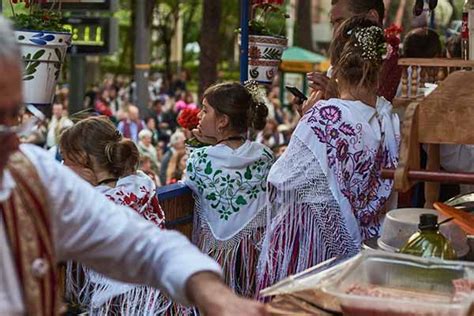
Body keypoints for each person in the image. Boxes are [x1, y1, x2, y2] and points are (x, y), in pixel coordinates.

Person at [0, 16, 266, 316]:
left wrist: (210, 290)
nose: (14, 139)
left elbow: (138, 242)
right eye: (1, 121)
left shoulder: (29, 174)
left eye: (16, 117)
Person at [257, 17, 400, 294]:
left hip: (312, 246)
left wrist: (307, 121)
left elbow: (283, 179)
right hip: (364, 242)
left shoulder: (326, 115)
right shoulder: (387, 118)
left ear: (337, 72)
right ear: (377, 72)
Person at [60, 116, 169, 314]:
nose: (62, 166)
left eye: (65, 159)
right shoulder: (142, 183)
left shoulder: (92, 205)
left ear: (83, 161)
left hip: (122, 301)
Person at [185, 82, 274, 298]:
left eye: (205, 110)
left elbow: (191, 181)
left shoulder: (200, 159)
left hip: (218, 264)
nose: (199, 115)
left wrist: (204, 145)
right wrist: (214, 141)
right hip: (256, 259)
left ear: (223, 121)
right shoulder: (264, 155)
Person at [308, 0, 402, 103]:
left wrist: (335, 100)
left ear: (372, 17)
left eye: (341, 21)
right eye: (333, 24)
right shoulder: (337, 63)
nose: (335, 32)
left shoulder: (399, 68)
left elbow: (377, 114)